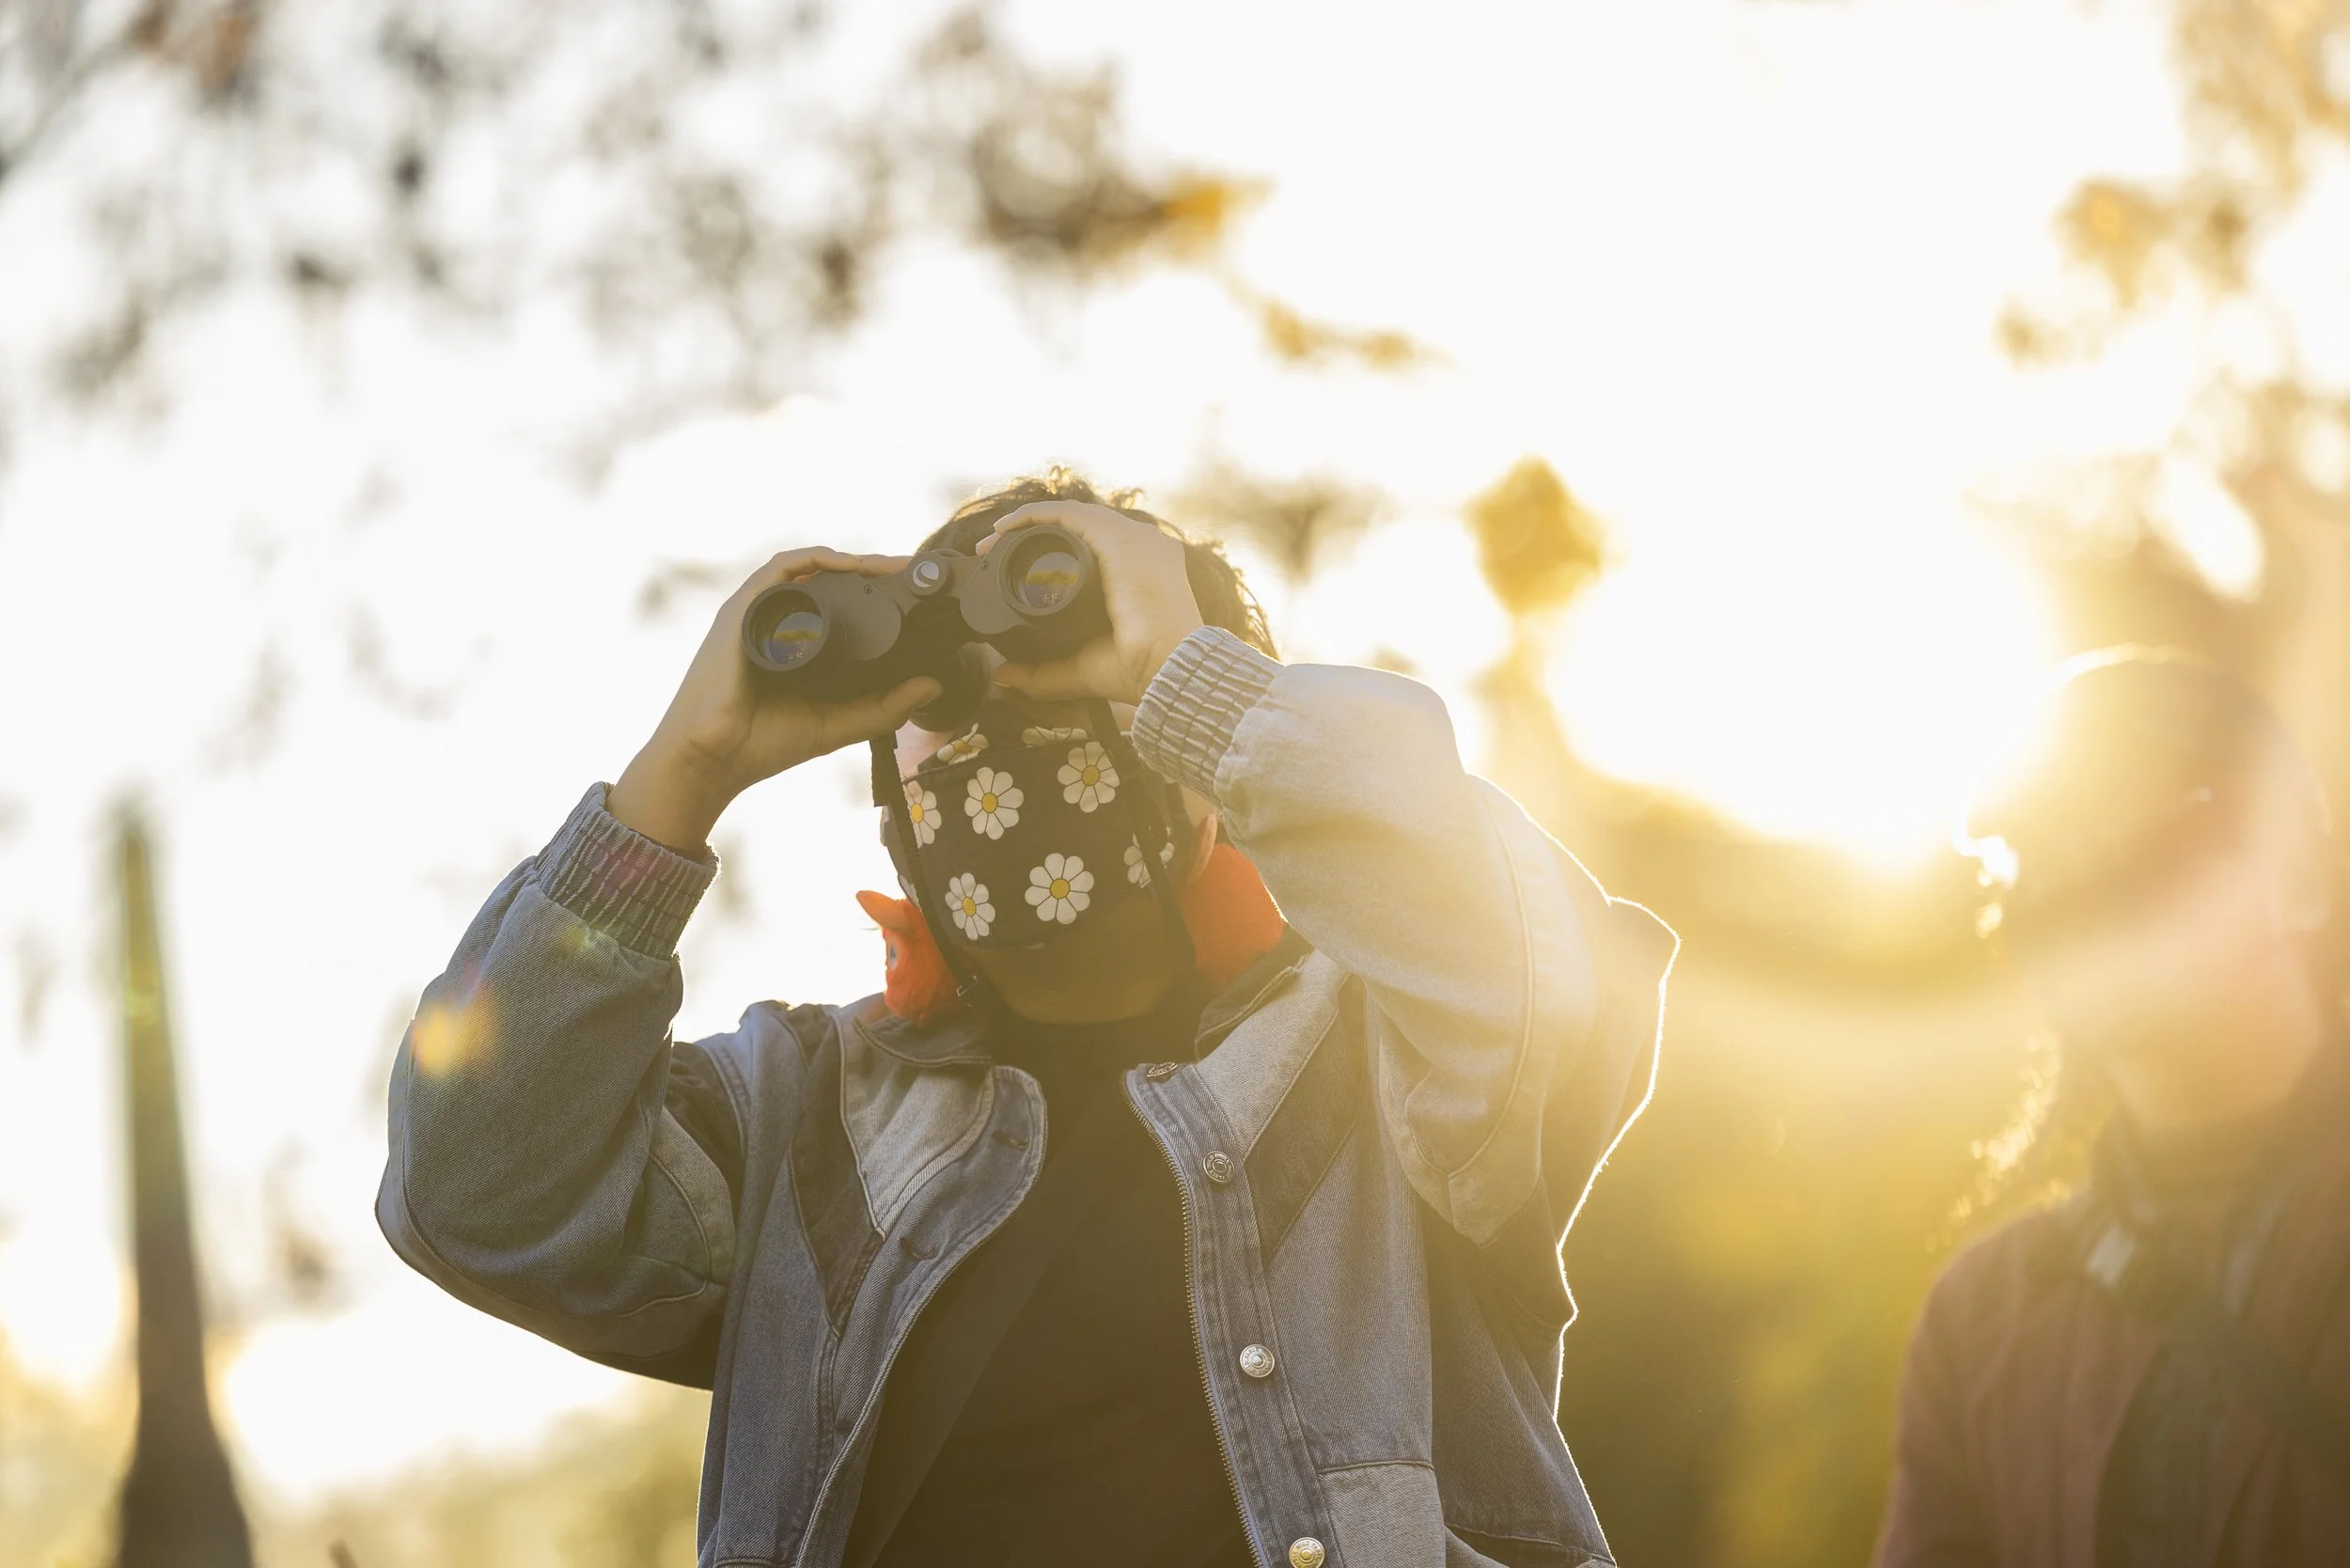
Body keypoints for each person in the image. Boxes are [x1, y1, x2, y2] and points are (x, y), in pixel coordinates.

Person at [377, 469, 1677, 1568]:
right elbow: (477, 1191)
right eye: (953, 715)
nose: (1003, 747)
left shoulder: (1387, 1056)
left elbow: (1551, 982)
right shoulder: (806, 1119)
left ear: (1210, 752)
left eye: (1073, 685)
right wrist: (687, 771)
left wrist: (1188, 669)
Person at [1874, 648, 2350, 1568]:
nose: (2091, 888)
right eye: (2041, 865)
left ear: (2299, 877)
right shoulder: (1976, 1325)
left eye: (2152, 842)